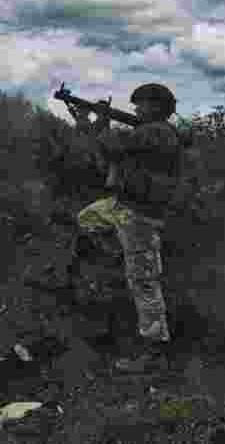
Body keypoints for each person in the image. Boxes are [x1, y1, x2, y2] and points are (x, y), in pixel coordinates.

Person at [65, 83, 184, 372]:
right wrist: (93, 123)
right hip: (124, 205)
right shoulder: (149, 132)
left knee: (144, 282)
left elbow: (111, 145)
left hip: (141, 214)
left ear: (156, 107)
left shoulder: (156, 132)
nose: (135, 109)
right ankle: (122, 257)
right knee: (88, 218)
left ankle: (155, 350)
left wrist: (95, 120)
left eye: (140, 104)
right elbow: (111, 152)